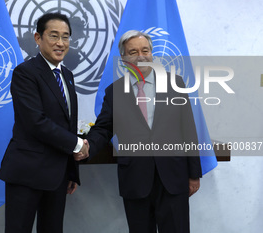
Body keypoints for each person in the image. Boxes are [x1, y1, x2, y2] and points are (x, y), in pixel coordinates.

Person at [79, 30, 202, 233]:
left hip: (173, 176)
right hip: (136, 179)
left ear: (152, 54)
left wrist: (193, 174)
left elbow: (188, 128)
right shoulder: (114, 92)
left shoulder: (175, 84)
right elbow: (103, 128)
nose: (141, 56)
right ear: (124, 59)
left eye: (145, 50)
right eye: (133, 51)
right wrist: (87, 146)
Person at [0, 12, 89, 233]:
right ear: (38, 38)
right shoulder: (25, 73)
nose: (61, 43)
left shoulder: (67, 74)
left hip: (57, 176)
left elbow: (67, 123)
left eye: (66, 37)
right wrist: (78, 145)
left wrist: (71, 171)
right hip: (27, 174)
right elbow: (35, 122)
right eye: (54, 36)